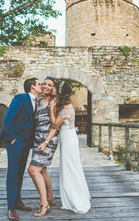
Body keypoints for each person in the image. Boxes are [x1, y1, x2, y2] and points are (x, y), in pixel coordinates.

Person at [0, 77, 42, 221]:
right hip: (16, 142)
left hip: (26, 143)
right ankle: (11, 207)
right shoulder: (21, 98)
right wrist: (12, 138)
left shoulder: (36, 102)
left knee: (20, 173)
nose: (41, 86)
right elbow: (9, 118)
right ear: (32, 87)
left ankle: (17, 201)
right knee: (13, 173)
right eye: (39, 84)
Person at [50, 81, 91, 214]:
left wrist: (51, 108)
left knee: (70, 167)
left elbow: (55, 124)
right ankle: (68, 199)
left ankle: (77, 200)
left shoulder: (67, 107)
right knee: (67, 167)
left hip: (69, 138)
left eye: (54, 87)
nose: (53, 89)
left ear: (60, 91)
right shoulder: (62, 105)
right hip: (66, 137)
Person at [28, 76, 59, 217]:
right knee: (43, 171)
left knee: (33, 170)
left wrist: (46, 143)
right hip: (37, 139)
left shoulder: (54, 103)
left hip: (48, 140)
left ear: (54, 88)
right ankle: (51, 198)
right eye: (44, 84)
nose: (46, 86)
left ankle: (44, 203)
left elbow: (55, 126)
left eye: (49, 85)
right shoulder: (39, 101)